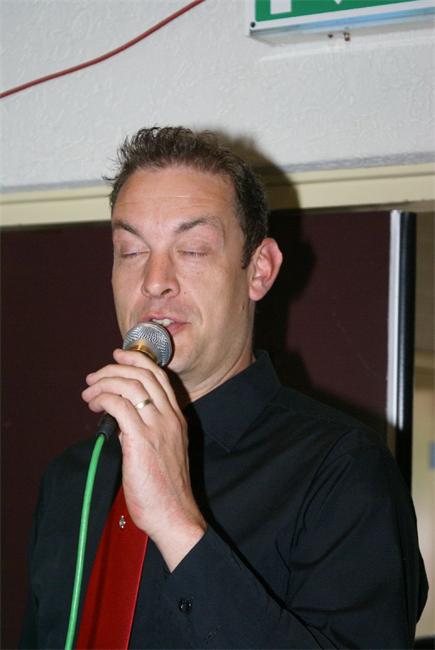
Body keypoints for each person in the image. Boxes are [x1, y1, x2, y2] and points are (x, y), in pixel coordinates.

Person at [20, 127, 427, 649]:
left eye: (192, 249)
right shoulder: (75, 476)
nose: (155, 280)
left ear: (259, 270)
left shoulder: (342, 471)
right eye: (131, 250)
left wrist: (176, 522)